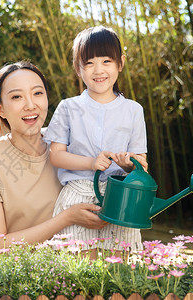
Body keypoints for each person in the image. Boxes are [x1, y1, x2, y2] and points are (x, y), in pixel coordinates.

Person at [0, 61, 107, 250]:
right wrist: (67, 218)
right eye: (17, 97)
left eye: (37, 93)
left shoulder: (69, 146)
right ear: (1, 109)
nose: (30, 105)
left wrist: (130, 166)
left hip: (53, 268)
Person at [44, 26, 148, 252]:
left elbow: (142, 163)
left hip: (121, 197)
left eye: (106, 61)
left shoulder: (134, 110)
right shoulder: (68, 107)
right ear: (78, 68)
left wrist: (128, 163)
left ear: (120, 63)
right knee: (77, 271)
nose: (98, 70)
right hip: (78, 195)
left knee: (119, 270)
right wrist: (91, 163)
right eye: (89, 63)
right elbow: (56, 156)